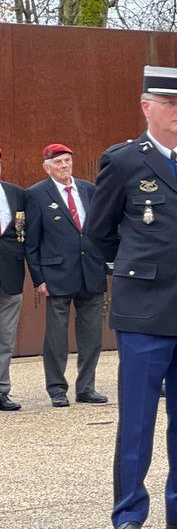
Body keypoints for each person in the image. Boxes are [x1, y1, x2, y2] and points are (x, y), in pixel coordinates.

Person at [86, 66, 177, 529]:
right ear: (147, 107)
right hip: (145, 309)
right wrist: (134, 271)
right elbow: (99, 233)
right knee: (139, 416)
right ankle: (129, 512)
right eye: (170, 103)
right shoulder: (124, 161)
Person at [23, 143, 108, 407]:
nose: (64, 167)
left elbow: (99, 230)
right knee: (56, 338)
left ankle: (86, 387)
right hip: (57, 273)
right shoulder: (36, 194)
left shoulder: (88, 190)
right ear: (47, 167)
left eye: (68, 161)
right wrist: (39, 278)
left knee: (92, 334)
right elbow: (32, 242)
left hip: (91, 272)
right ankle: (57, 389)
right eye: (58, 163)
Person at [0, 149, 27, 412]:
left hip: (10, 274)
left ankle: (1, 390)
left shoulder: (16, 193)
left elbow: (24, 231)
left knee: (5, 338)